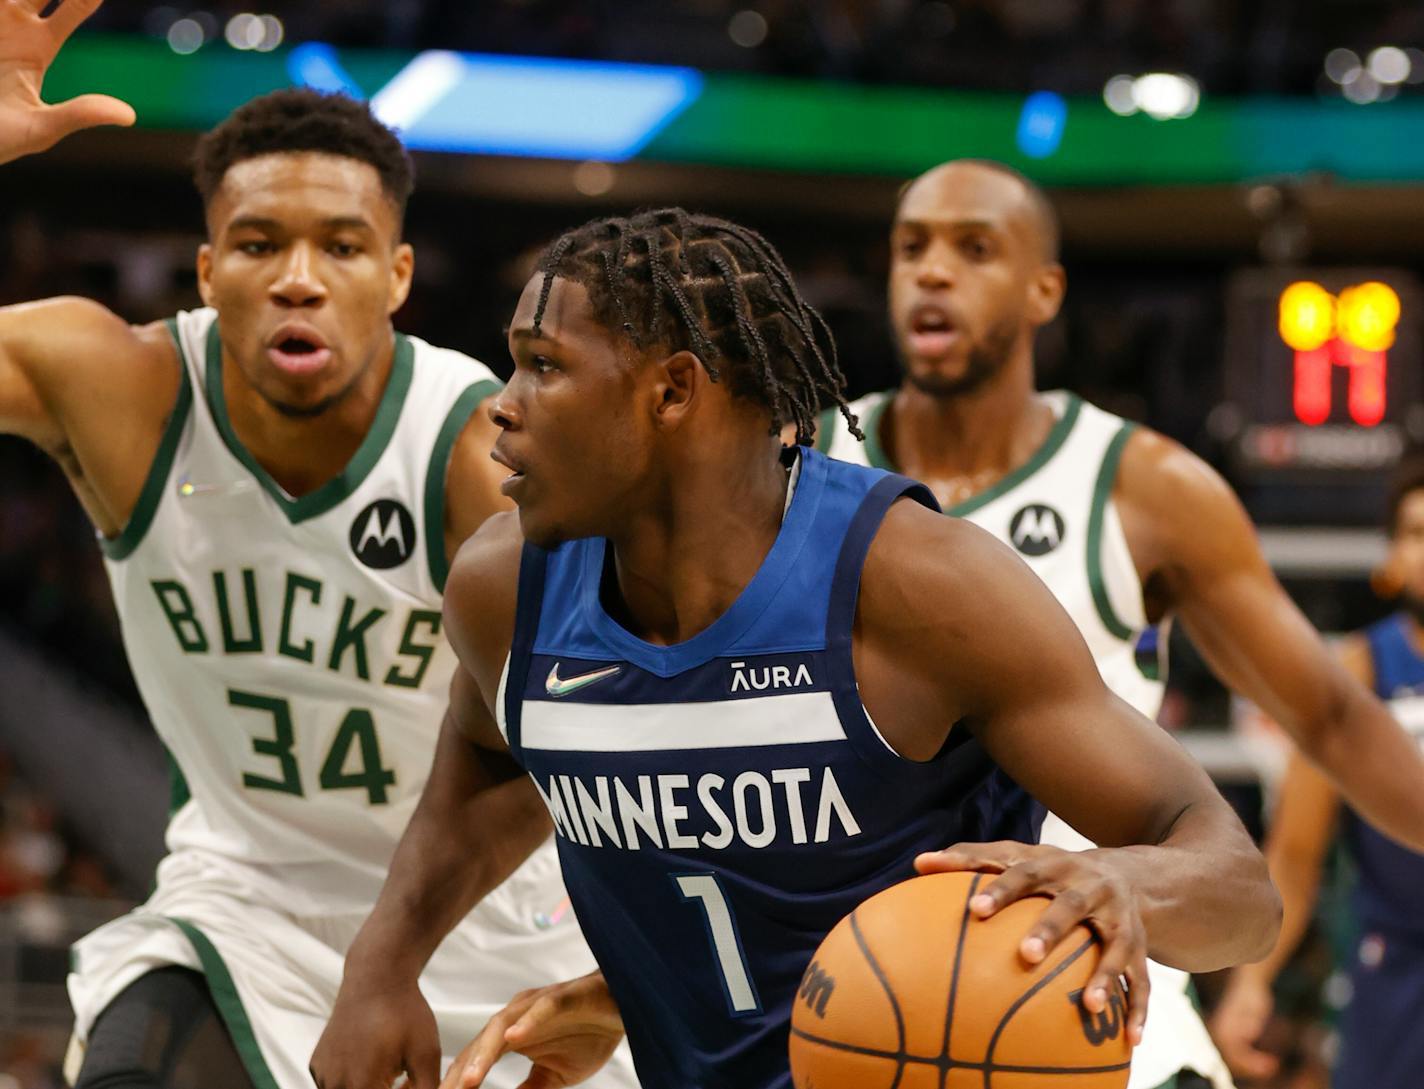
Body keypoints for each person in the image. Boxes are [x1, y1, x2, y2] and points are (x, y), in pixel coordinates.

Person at [317, 207, 1279, 1089]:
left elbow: (1240, 889)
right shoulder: (503, 590)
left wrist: (1128, 882)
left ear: (672, 390)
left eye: (545, 365)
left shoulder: (917, 588)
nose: (504, 404)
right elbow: (487, 764)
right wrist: (384, 962)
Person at [0, 5, 635, 1088]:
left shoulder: (476, 452)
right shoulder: (118, 385)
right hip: (245, 910)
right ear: (207, 273)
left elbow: (578, 736)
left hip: (495, 926)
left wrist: (389, 960)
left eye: (339, 246)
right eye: (259, 244)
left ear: (394, 277)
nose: (299, 276)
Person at [813, 158, 1424, 1089]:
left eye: (974, 249)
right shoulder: (800, 469)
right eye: (911, 248)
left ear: (1043, 288)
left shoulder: (1145, 487)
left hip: (1085, 967)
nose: (933, 271)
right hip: (850, 974)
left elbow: (1331, 718)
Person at [1210, 456, 1424, 1089]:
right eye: (1415, 532)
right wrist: (1253, 981)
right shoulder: (1358, 668)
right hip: (1394, 966)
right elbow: (1297, 853)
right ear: (1391, 557)